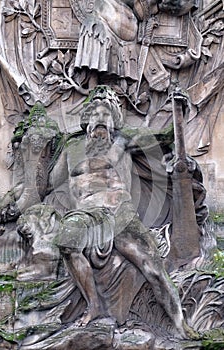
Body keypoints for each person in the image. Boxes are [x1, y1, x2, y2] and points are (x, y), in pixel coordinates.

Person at [49, 86, 197, 338]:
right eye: (95, 113)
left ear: (115, 122)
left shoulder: (124, 142)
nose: (100, 119)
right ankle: (94, 305)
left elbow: (165, 137)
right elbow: (51, 182)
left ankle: (180, 323)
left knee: (153, 268)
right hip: (87, 214)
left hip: (120, 214)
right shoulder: (71, 148)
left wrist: (179, 109)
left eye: (106, 115)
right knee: (66, 240)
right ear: (85, 120)